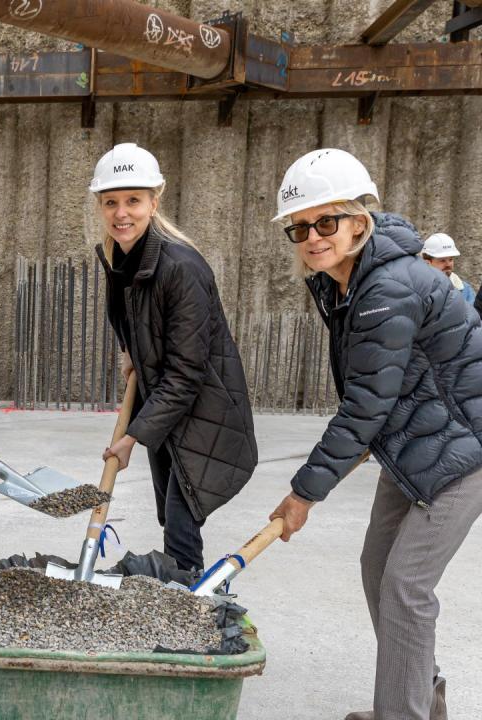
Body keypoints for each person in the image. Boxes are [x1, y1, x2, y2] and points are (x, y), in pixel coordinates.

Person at [268, 148, 482, 720]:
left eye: (326, 221)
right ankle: (420, 697)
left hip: (464, 451)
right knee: (377, 569)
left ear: (359, 222)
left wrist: (304, 493)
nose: (313, 236)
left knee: (407, 589)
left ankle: (403, 714)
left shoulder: (387, 288)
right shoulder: (343, 281)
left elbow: (364, 405)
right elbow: (380, 390)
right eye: (301, 227)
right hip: (416, 444)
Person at [93, 143, 258, 572]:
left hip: (205, 414)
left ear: (154, 200)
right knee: (175, 517)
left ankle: (189, 613)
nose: (121, 213)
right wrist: (130, 351)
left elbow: (186, 373)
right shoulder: (120, 258)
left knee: (182, 529)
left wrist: (132, 437)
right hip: (168, 411)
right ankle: (185, 599)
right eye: (111, 202)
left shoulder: (181, 267)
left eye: (133, 200)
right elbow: (130, 319)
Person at [421, 232, 475, 306]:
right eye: (442, 260)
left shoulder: (465, 289)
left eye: (451, 259)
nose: (448, 264)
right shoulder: (417, 290)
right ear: (427, 262)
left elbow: (473, 316)